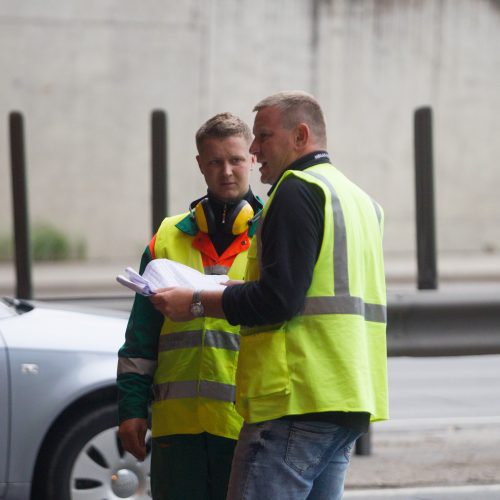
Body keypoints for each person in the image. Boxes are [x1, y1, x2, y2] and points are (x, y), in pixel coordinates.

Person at [150, 91, 389, 500]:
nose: (255, 149)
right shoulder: (358, 199)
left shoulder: (295, 190)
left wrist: (196, 301)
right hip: (348, 396)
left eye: (263, 136)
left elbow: (280, 300)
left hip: (295, 399)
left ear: (300, 136)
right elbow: (312, 291)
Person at [117, 112, 263, 500]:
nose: (227, 171)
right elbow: (140, 337)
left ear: (252, 158)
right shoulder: (166, 238)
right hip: (175, 431)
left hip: (245, 426)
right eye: (215, 161)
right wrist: (131, 408)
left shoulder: (273, 233)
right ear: (200, 164)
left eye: (235, 159)